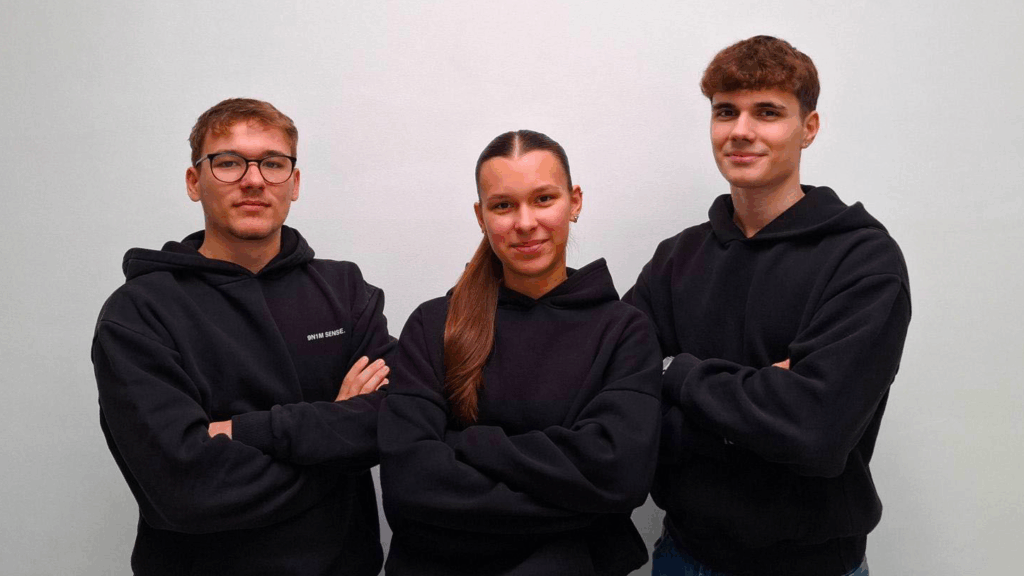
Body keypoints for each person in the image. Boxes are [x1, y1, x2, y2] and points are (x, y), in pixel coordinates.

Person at [623, 36, 911, 576]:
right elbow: (618, 398)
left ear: (809, 128)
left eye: (768, 112)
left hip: (813, 567)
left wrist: (676, 374)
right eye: (725, 111)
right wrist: (766, 400)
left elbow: (816, 432)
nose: (741, 130)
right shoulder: (676, 258)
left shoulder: (862, 260)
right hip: (683, 555)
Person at [92, 98, 394, 575]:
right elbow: (186, 491)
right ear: (195, 182)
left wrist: (240, 432)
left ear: (294, 183)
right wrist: (336, 439)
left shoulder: (346, 291)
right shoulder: (139, 313)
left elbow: (393, 420)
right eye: (229, 162)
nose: (254, 180)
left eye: (273, 163)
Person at [378, 130, 663, 575]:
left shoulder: (625, 331)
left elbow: (619, 475)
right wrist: (580, 506)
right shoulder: (434, 325)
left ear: (575, 202)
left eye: (543, 199)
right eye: (503, 205)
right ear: (481, 215)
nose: (525, 222)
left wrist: (462, 445)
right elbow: (409, 483)